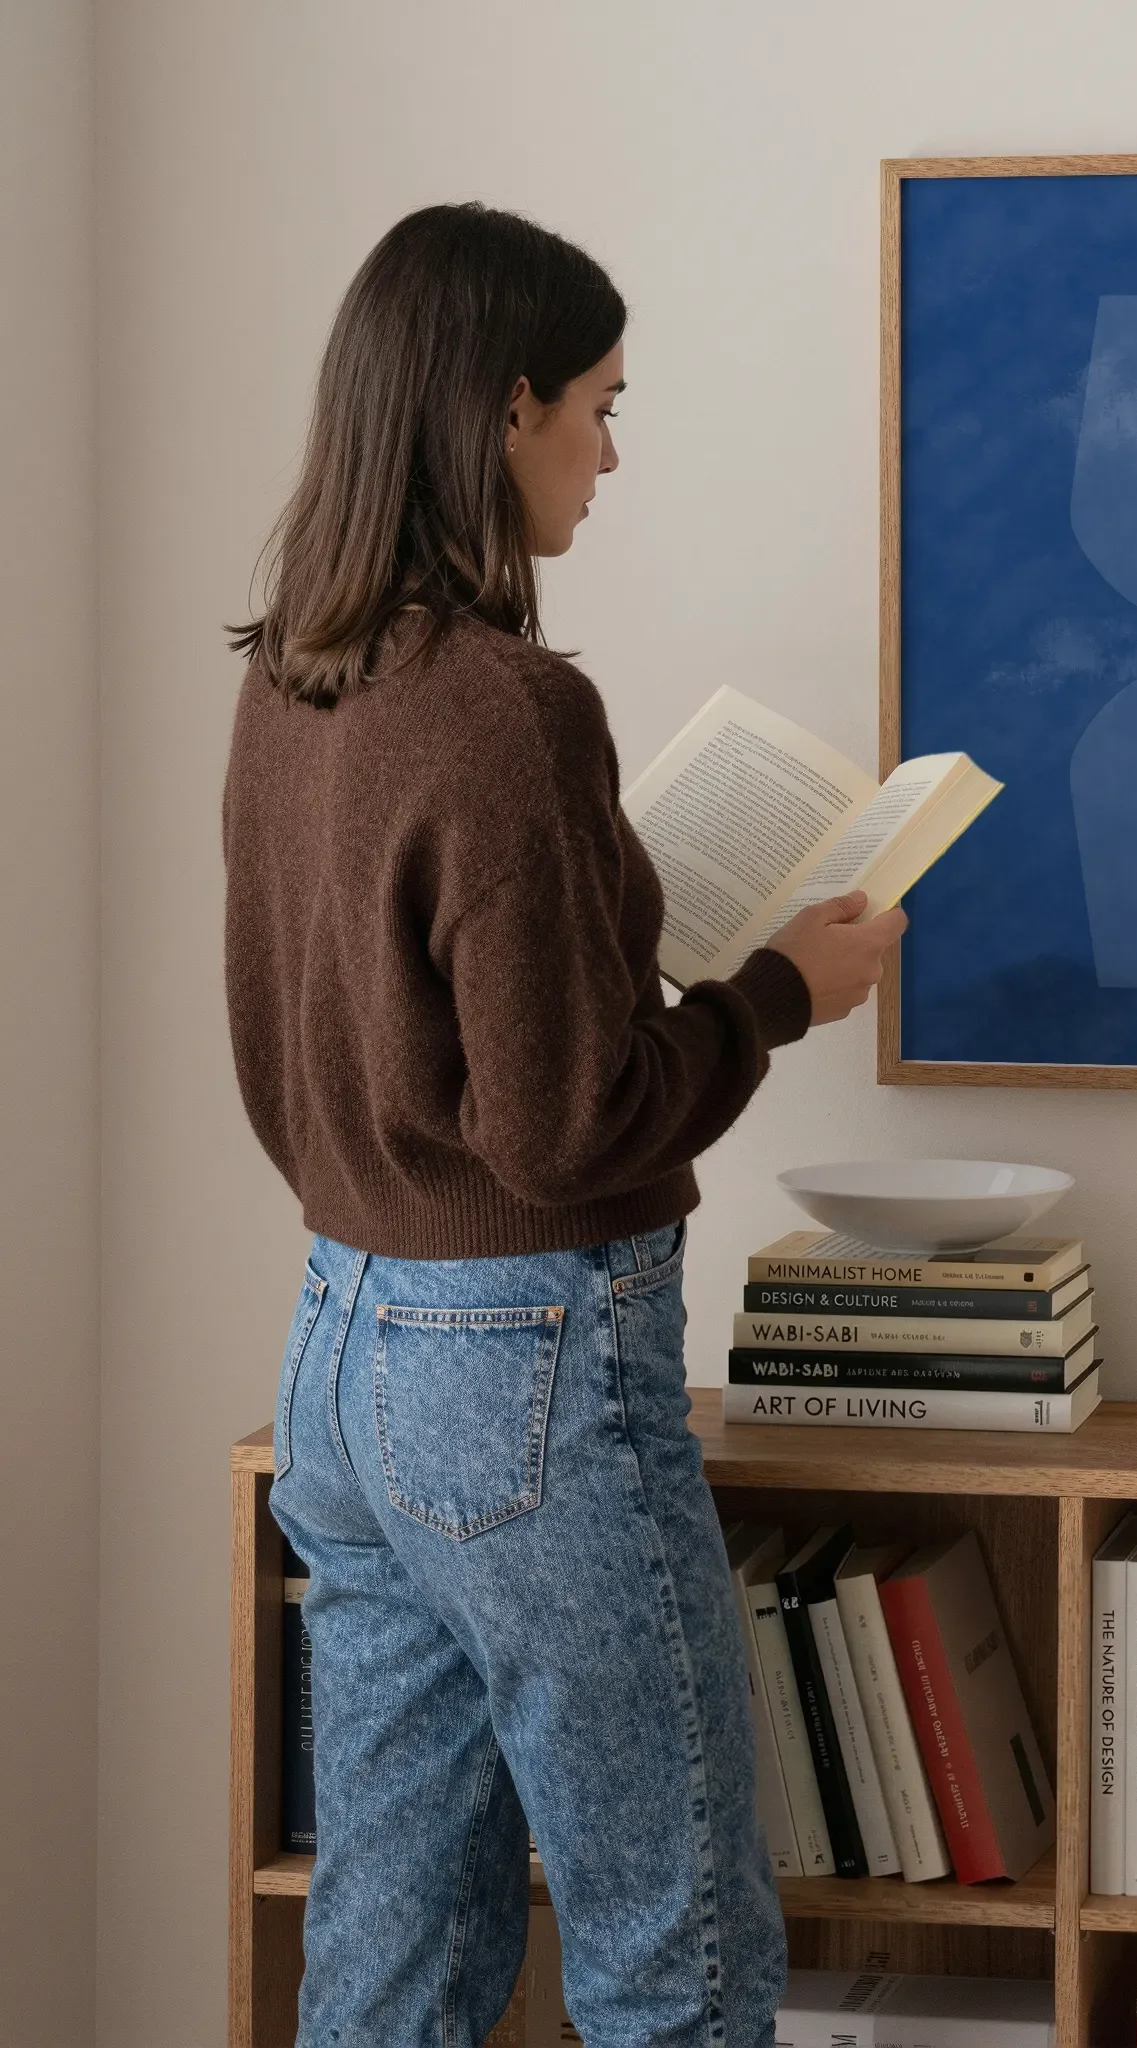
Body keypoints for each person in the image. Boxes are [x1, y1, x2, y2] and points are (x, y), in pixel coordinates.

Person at [222, 202, 902, 2048]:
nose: (610, 452)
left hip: (341, 1360)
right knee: (670, 1948)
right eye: (600, 404)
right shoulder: (509, 707)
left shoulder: (294, 676)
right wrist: (778, 996)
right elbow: (563, 1126)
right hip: (521, 1369)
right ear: (503, 405)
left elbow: (323, 1054)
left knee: (394, 1945)